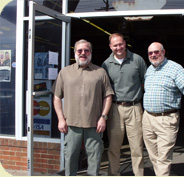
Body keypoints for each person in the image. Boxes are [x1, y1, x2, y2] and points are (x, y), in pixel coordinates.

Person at [52, 39, 114, 176]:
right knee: (70, 157)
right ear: (75, 53)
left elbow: (108, 96)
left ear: (91, 52)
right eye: (79, 50)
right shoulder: (65, 72)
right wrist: (60, 119)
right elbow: (57, 97)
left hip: (94, 124)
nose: (83, 53)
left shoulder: (100, 72)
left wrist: (103, 117)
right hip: (71, 124)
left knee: (95, 157)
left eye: (86, 50)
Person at [143, 42, 184, 176]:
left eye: (156, 52)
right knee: (153, 155)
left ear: (163, 52)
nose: (153, 55)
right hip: (148, 118)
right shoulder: (149, 69)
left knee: (163, 157)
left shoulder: (174, 68)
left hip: (166, 119)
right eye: (150, 53)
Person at [102, 33, 147, 176]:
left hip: (135, 107)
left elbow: (144, 82)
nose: (118, 47)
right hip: (115, 109)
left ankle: (138, 174)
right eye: (115, 45)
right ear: (110, 47)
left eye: (120, 44)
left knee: (137, 148)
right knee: (114, 147)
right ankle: (114, 174)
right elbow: (105, 89)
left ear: (125, 43)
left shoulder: (137, 60)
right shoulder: (106, 64)